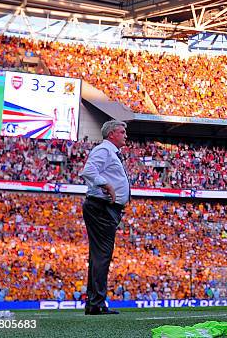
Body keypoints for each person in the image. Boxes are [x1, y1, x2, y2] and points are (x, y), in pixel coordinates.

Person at [80, 120, 130, 315]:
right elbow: (88, 171)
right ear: (111, 134)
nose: (125, 135)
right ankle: (97, 303)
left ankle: (94, 302)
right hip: (102, 207)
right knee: (102, 255)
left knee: (98, 256)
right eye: (122, 132)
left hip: (104, 207)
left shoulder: (110, 152)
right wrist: (106, 185)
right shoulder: (104, 150)